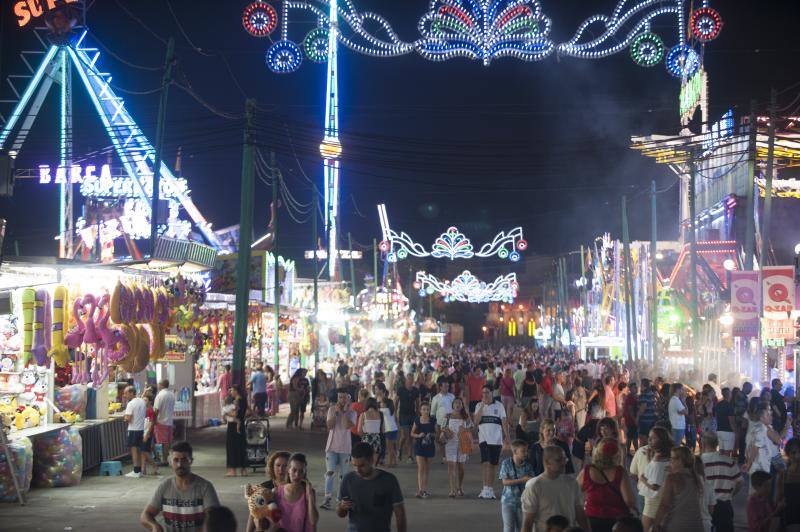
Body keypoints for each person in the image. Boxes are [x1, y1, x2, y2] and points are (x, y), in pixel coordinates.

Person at [140, 441, 221, 532]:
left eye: (184, 460)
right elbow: (145, 515)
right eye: (176, 460)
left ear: (191, 461)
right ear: (171, 461)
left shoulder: (205, 487)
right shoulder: (164, 486)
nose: (179, 464)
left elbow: (214, 519)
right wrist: (154, 526)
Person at [336, 442, 407, 532]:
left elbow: (400, 513)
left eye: (362, 465)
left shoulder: (389, 480)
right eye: (354, 465)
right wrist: (342, 507)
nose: (357, 470)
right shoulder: (348, 480)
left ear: (372, 460)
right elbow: (340, 514)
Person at [520, 446, 590, 532]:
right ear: (547, 462)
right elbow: (527, 522)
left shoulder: (572, 483)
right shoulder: (534, 486)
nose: (564, 463)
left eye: (565, 459)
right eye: (558, 460)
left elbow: (580, 514)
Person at [577, 438, 637, 532]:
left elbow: (574, 491)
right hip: (617, 521)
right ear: (617, 454)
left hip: (592, 518)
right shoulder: (620, 472)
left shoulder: (587, 470)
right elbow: (629, 500)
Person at [652, 446, 705, 531]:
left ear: (681, 460)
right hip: (697, 525)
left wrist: (655, 524)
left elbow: (664, 505)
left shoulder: (672, 478)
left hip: (677, 525)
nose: (670, 461)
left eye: (673, 459)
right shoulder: (697, 478)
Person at [321, 391, 356, 510]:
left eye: (344, 398)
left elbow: (347, 425)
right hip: (331, 447)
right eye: (340, 397)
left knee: (343, 476)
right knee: (329, 473)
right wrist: (337, 412)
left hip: (345, 448)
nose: (342, 400)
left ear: (348, 399)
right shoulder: (332, 409)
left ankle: (340, 499)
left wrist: (344, 412)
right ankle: (327, 498)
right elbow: (330, 426)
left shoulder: (352, 412)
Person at [700, 432, 741, 532]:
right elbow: (739, 482)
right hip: (724, 505)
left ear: (703, 444)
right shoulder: (728, 461)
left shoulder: (698, 462)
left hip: (704, 505)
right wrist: (730, 494)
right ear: (717, 444)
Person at [475, 384, 509, 499]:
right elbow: (476, 421)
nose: (485, 394)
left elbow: (504, 421)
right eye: (483, 392)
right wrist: (481, 407)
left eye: (487, 392)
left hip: (496, 440)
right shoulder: (478, 405)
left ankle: (490, 489)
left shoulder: (499, 406)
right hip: (483, 439)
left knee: (493, 465)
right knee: (486, 463)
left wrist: (507, 437)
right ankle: (485, 488)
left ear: (492, 393)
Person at [271, 453, 317, 532]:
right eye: (294, 470)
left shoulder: (309, 493)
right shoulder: (277, 492)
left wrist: (309, 496)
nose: (297, 475)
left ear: (304, 473)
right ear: (288, 470)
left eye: (301, 471)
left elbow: (313, 521)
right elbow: (272, 523)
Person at [246, 451, 291, 532]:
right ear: (272, 467)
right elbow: (253, 512)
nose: (281, 469)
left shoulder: (294, 487)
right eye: (278, 465)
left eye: (285, 466)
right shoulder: (264, 486)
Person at [640, 426, 672, 531]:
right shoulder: (664, 457)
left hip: (653, 501)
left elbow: (654, 486)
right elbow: (654, 472)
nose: (649, 440)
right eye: (649, 437)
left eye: (653, 438)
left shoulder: (659, 460)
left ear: (661, 440)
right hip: (659, 499)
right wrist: (649, 458)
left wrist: (643, 479)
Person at [499, 439, 535, 532]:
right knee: (508, 528)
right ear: (515, 452)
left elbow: (533, 482)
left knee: (520, 528)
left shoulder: (528, 466)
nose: (526, 453)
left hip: (522, 503)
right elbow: (505, 482)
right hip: (508, 501)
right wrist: (522, 480)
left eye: (526, 451)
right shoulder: (506, 463)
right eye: (523, 451)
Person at [443, 397, 472, 497]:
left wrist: (465, 429)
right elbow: (442, 428)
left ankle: (460, 487)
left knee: (461, 467)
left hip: (463, 443)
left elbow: (472, 428)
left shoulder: (466, 416)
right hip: (450, 443)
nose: (457, 405)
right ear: (452, 405)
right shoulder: (447, 416)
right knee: (451, 466)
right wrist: (446, 431)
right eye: (455, 403)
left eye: (459, 403)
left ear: (462, 405)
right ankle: (452, 490)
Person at [745, 403, 782, 475]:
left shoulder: (767, 427)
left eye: (770, 414)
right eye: (768, 415)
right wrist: (748, 464)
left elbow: (779, 440)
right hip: (763, 463)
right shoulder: (762, 429)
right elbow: (755, 448)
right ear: (761, 418)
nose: (771, 417)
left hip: (767, 461)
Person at [410, 402, 437, 498]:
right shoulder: (417, 420)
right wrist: (418, 435)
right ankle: (421, 490)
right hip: (419, 446)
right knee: (421, 468)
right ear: (420, 411)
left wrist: (431, 434)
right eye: (424, 409)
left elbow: (436, 433)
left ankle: (424, 489)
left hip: (430, 446)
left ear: (429, 411)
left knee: (426, 469)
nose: (426, 411)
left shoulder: (433, 420)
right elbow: (412, 433)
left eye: (427, 409)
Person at [777, 438, 800, 531]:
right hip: (788, 519)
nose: (797, 456)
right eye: (793, 453)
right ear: (788, 454)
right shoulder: (783, 475)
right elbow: (778, 499)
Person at [225, 385, 248, 477]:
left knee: (231, 447)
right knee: (241, 446)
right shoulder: (244, 400)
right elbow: (247, 411)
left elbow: (235, 414)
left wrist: (225, 412)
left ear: (236, 391)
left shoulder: (236, 401)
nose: (231, 392)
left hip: (233, 426)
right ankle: (243, 469)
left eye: (232, 390)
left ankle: (232, 470)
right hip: (241, 424)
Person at [396, 375, 419, 464]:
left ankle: (405, 452)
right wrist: (394, 413)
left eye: (411, 380)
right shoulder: (401, 390)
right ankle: (405, 452)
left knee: (409, 436)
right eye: (409, 380)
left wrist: (418, 414)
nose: (410, 381)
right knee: (406, 436)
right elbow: (396, 401)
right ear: (405, 380)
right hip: (403, 415)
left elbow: (417, 402)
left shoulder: (415, 390)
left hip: (412, 415)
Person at [124, 385, 147, 478]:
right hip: (141, 429)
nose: (125, 395)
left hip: (133, 429)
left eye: (126, 393)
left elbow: (128, 418)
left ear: (131, 393)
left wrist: (125, 418)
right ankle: (139, 470)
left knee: (134, 450)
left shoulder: (130, 404)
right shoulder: (142, 401)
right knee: (139, 450)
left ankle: (136, 470)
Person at [375, 384, 398, 467]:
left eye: (382, 403)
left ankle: (390, 463)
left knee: (390, 448)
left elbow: (376, 409)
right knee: (393, 447)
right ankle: (394, 461)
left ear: (385, 404)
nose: (380, 404)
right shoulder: (390, 410)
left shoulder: (385, 410)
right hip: (394, 429)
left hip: (389, 430)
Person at [357, 397, 384, 465]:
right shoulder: (380, 414)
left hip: (367, 437)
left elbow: (359, 431)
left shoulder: (363, 414)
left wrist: (364, 437)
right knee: (374, 462)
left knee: (365, 461)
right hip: (377, 438)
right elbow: (383, 430)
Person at [153, 380, 176, 462]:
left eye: (159, 384)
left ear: (161, 385)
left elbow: (156, 409)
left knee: (163, 442)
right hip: (169, 421)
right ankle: (166, 456)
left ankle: (164, 460)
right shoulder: (172, 394)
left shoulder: (160, 395)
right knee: (167, 441)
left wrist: (154, 419)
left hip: (161, 421)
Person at [141, 391, 159, 476]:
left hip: (147, 433)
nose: (144, 401)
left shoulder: (150, 411)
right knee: (143, 451)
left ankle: (154, 465)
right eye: (143, 400)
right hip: (143, 432)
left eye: (146, 400)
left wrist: (147, 434)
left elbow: (152, 423)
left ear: (150, 401)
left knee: (145, 451)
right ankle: (143, 469)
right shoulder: (144, 409)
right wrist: (144, 391)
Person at [715, 387, 736, 455]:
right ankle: (725, 465)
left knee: (721, 451)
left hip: (719, 430)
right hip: (728, 431)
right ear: (729, 394)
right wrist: (735, 431)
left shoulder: (718, 404)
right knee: (727, 453)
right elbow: (731, 421)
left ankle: (720, 465)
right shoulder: (729, 406)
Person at [622, 382, 639, 456]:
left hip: (631, 420)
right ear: (630, 389)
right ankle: (634, 452)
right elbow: (630, 410)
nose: (636, 389)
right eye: (634, 387)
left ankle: (629, 452)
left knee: (631, 436)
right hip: (631, 420)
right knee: (632, 437)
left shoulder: (633, 396)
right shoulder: (630, 397)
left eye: (636, 387)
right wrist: (635, 420)